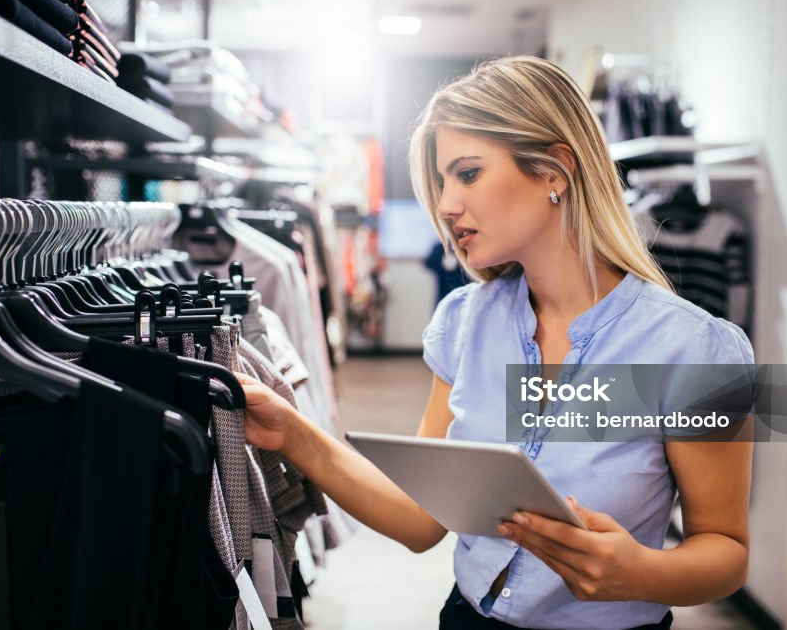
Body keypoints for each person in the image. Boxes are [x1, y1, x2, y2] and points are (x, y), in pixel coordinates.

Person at [235, 56, 754, 630]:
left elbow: (724, 549)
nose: (445, 204)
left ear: (556, 170)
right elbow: (419, 518)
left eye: (468, 173)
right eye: (439, 182)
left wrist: (639, 572)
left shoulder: (692, 349)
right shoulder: (464, 323)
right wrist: (292, 432)